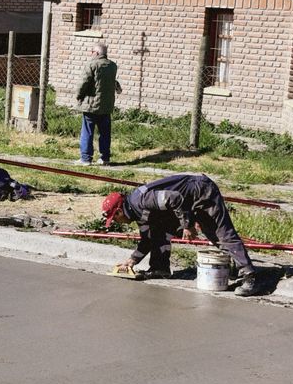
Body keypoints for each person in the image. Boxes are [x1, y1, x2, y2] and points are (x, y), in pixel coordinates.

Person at [102, 173, 260, 296]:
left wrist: (188, 225)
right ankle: (159, 268)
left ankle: (249, 277)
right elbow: (147, 239)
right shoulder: (136, 211)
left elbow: (175, 198)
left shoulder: (141, 201)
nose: (116, 222)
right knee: (159, 231)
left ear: (119, 211)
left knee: (220, 234)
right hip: (186, 201)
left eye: (114, 219)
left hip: (200, 190)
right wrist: (132, 261)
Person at [75, 42, 119, 166]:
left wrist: (78, 96)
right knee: (105, 133)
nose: (91, 54)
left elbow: (84, 82)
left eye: (92, 51)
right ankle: (105, 158)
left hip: (91, 105)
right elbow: (111, 82)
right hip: (106, 106)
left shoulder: (92, 64)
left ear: (97, 53)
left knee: (87, 131)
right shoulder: (112, 66)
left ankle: (85, 158)